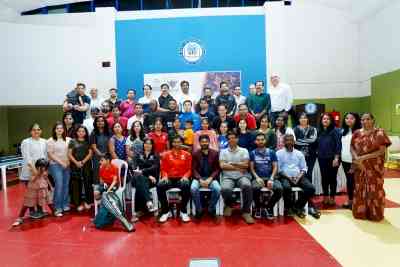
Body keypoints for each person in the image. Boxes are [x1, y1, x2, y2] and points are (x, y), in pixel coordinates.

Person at [351, 113, 391, 221]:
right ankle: (361, 213)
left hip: (374, 167)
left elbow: (381, 151)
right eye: (363, 120)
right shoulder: (356, 133)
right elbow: (352, 147)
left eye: (368, 119)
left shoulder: (380, 133)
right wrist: (356, 158)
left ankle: (375, 214)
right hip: (360, 166)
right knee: (360, 188)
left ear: (373, 120)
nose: (365, 121)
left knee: (375, 190)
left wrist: (363, 157)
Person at [93, 153, 135, 232]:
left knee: (106, 196)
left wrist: (107, 191)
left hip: (114, 186)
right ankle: (124, 221)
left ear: (108, 161)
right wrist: (100, 189)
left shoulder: (114, 168)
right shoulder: (101, 168)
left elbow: (115, 182)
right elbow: (101, 182)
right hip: (106, 186)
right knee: (101, 195)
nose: (100, 162)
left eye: (102, 160)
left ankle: (123, 221)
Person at [219, 131, 254, 224]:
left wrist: (231, 164)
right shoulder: (223, 151)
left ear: (237, 139)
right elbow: (222, 166)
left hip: (242, 176)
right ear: (227, 140)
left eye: (233, 137)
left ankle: (246, 212)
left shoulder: (244, 150)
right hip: (227, 177)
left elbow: (246, 165)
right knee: (225, 189)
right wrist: (238, 166)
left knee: (247, 185)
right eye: (229, 138)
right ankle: (230, 205)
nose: (231, 140)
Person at [277, 134, 316, 218]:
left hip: (298, 176)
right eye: (287, 140)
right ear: (284, 142)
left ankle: (297, 206)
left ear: (294, 142)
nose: (289, 142)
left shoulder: (299, 153)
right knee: (286, 187)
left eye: (291, 140)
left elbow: (304, 168)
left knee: (311, 188)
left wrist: (298, 177)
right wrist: (288, 178)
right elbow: (278, 169)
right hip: (285, 177)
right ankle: (289, 207)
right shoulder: (279, 153)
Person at [157, 135, 192, 223]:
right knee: (160, 185)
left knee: (186, 185)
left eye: (179, 142)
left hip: (181, 178)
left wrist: (185, 176)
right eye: (175, 142)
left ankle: (183, 211)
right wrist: (164, 176)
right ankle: (166, 211)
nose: (177, 143)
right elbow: (163, 169)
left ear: (181, 143)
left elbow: (189, 169)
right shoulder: (166, 154)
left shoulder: (187, 154)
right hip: (169, 178)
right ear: (172, 143)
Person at [12, 158, 54, 226]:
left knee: (48, 200)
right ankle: (19, 218)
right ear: (38, 166)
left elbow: (46, 178)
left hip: (42, 189)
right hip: (32, 190)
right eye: (42, 166)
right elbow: (33, 179)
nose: (43, 168)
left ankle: (54, 211)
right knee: (27, 203)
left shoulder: (45, 171)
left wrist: (51, 186)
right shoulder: (32, 171)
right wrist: (37, 173)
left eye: (44, 166)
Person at [293, 113, 320, 218]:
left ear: (308, 119)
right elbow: (294, 141)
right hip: (298, 157)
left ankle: (309, 204)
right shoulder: (295, 129)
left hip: (310, 157)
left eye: (305, 117)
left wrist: (300, 141)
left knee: (308, 177)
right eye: (301, 117)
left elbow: (313, 140)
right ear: (299, 119)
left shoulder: (313, 129)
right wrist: (304, 142)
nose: (303, 119)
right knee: (299, 177)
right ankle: (301, 203)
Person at [250, 133, 282, 219]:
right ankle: (258, 207)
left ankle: (269, 206)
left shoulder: (271, 152)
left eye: (262, 139)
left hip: (270, 177)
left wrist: (271, 178)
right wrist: (257, 178)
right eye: (258, 140)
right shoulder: (252, 153)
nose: (260, 141)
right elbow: (252, 169)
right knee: (255, 188)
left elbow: (275, 167)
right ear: (255, 142)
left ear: (265, 141)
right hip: (258, 178)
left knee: (279, 189)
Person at [191, 135, 221, 219]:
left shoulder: (215, 153)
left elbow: (217, 169)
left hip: (211, 178)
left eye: (206, 141)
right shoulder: (195, 153)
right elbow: (193, 169)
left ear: (209, 142)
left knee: (217, 189)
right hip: (198, 178)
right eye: (202, 141)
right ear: (199, 143)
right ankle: (199, 209)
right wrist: (200, 179)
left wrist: (210, 178)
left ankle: (211, 209)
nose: (204, 143)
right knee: (193, 188)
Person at [129, 138, 159, 221]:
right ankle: (148, 202)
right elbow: (135, 168)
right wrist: (148, 175)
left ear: (152, 145)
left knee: (141, 181)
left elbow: (155, 167)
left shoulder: (155, 155)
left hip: (151, 181)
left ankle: (138, 211)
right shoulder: (138, 155)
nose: (147, 145)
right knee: (139, 178)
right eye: (146, 143)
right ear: (143, 144)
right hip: (140, 178)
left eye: (150, 144)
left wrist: (143, 172)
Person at [317, 113, 341, 206]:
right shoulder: (319, 131)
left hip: (333, 158)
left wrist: (336, 158)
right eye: (324, 119)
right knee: (324, 178)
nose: (325, 120)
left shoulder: (335, 131)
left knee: (332, 178)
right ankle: (325, 196)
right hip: (322, 158)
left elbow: (338, 145)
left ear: (331, 121)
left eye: (327, 119)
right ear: (321, 121)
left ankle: (332, 197)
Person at [47, 122, 71, 217]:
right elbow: (50, 155)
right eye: (57, 128)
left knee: (66, 185)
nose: (60, 130)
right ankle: (57, 207)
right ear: (54, 130)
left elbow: (70, 153)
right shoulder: (50, 141)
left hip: (67, 165)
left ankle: (64, 204)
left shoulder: (68, 140)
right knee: (59, 184)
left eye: (61, 128)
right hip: (55, 165)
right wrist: (61, 163)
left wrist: (68, 162)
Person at [68, 125, 93, 211]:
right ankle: (77, 203)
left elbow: (90, 154)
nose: (81, 133)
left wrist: (82, 162)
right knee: (76, 184)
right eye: (79, 131)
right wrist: (76, 162)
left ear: (85, 132)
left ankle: (88, 202)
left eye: (83, 131)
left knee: (87, 183)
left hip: (86, 165)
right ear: (76, 132)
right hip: (75, 165)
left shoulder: (88, 141)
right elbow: (69, 154)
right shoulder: (72, 141)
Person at [341, 112, 361, 209]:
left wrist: (354, 163)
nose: (349, 120)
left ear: (356, 119)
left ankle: (355, 201)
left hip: (354, 161)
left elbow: (358, 149)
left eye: (352, 118)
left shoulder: (359, 132)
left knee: (354, 181)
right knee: (349, 181)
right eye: (347, 118)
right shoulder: (343, 131)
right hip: (344, 160)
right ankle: (351, 201)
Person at [90, 116, 112, 183]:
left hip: (108, 156)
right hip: (97, 157)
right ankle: (97, 190)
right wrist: (101, 155)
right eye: (98, 121)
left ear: (105, 122)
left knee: (108, 174)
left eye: (102, 121)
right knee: (98, 174)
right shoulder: (93, 133)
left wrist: (107, 156)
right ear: (95, 123)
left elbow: (111, 144)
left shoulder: (109, 132)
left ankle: (107, 191)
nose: (100, 122)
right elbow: (94, 147)